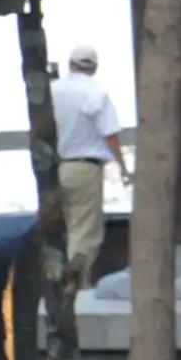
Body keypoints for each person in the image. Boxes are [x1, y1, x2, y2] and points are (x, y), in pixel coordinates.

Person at [45, 42, 129, 296]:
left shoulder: (53, 91)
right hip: (85, 168)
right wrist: (123, 168)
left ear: (70, 65)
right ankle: (78, 281)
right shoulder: (96, 94)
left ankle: (57, 281)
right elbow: (110, 135)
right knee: (85, 229)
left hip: (55, 168)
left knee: (65, 225)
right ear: (94, 67)